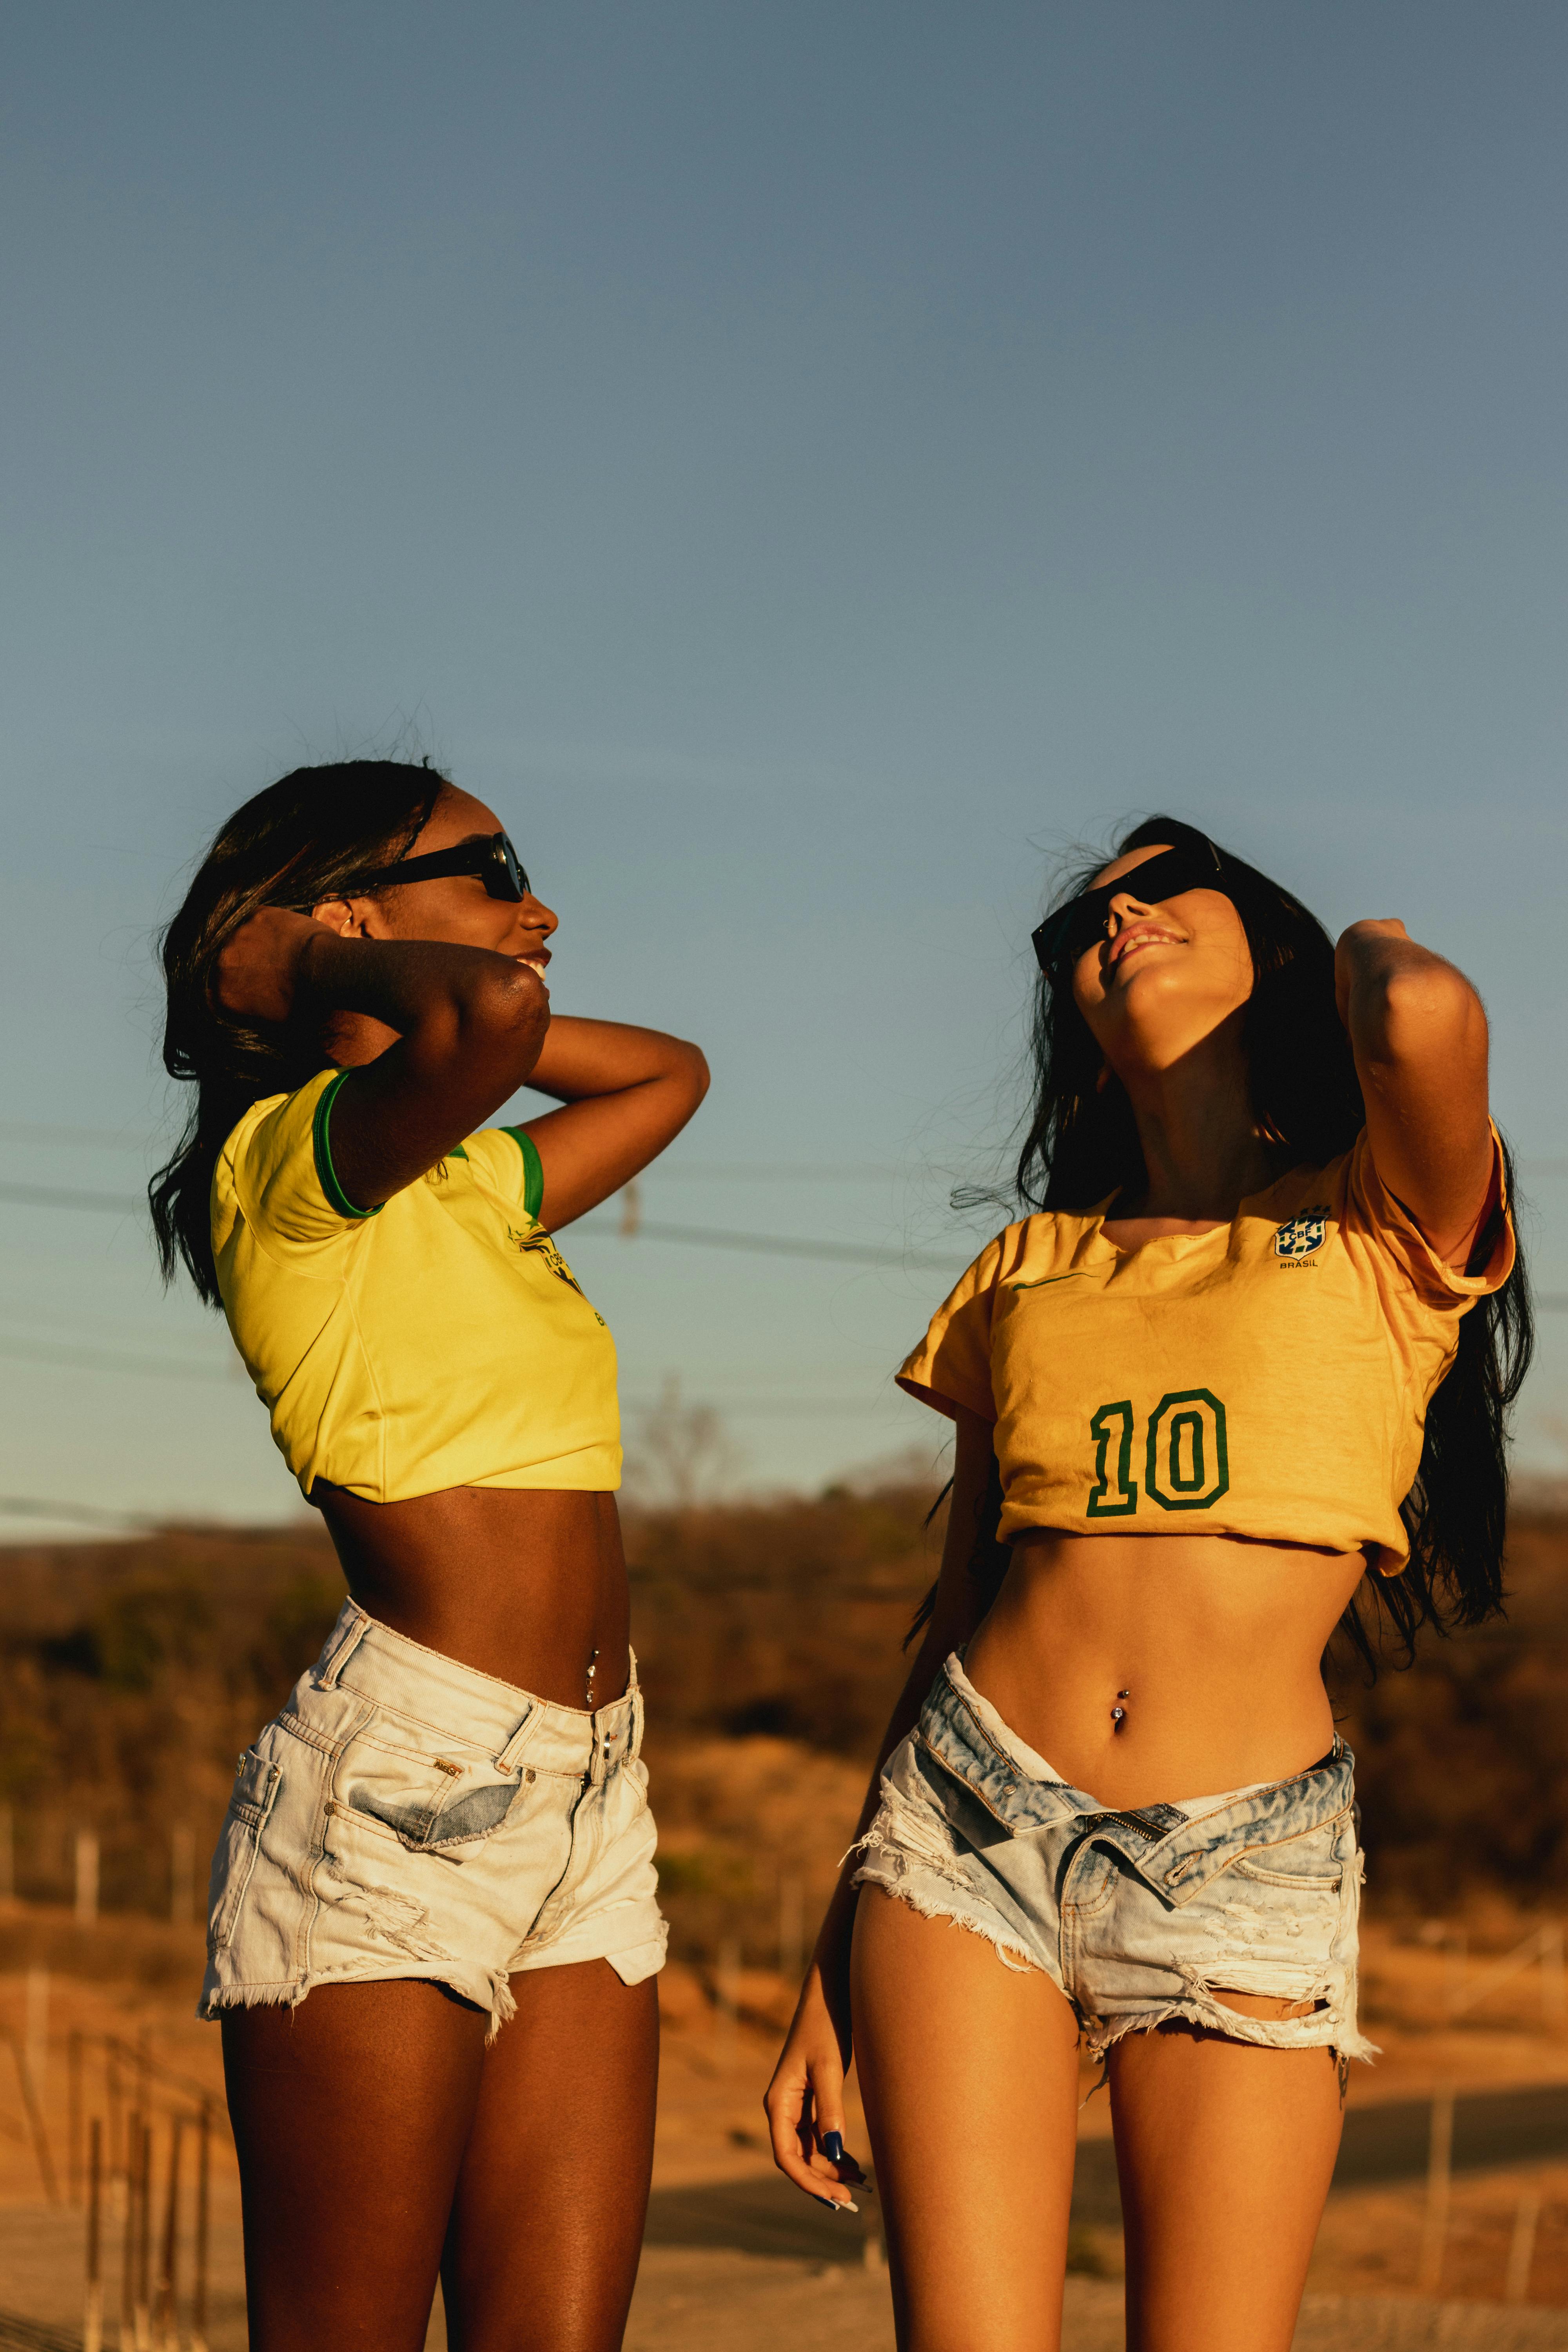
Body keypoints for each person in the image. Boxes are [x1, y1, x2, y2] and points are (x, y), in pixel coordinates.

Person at [764, 816, 1529, 2352]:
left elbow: (1423, 1011)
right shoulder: (1027, 1266)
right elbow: (957, 1610)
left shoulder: (1381, 1224)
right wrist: (825, 1967)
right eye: (1086, 923)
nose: (1113, 921)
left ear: (1275, 945)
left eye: (1161, 889)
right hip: (965, 1823)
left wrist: (1330, 958)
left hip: (1241, 1857)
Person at [150, 759, 708, 2352]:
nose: (536, 902)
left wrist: (401, 954)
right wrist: (299, 971)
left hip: (595, 1794)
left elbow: (668, 1077)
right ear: (342, 920)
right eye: (491, 865)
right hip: (401, 1802)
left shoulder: (467, 1181)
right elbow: (490, 1030)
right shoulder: (290, 1167)